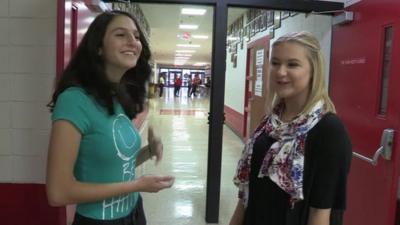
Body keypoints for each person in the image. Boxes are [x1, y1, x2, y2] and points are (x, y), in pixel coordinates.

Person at [46, 10, 174, 225]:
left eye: (136, 35)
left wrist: (148, 151)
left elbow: (112, 166)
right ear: (98, 47)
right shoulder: (74, 101)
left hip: (133, 212)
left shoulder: (116, 96)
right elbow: (58, 192)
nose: (133, 41)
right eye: (120, 34)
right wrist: (137, 185)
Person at [230, 31, 352, 225]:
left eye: (292, 64)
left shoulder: (328, 131)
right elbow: (247, 194)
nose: (280, 72)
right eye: (275, 63)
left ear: (314, 70)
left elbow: (320, 213)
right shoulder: (270, 122)